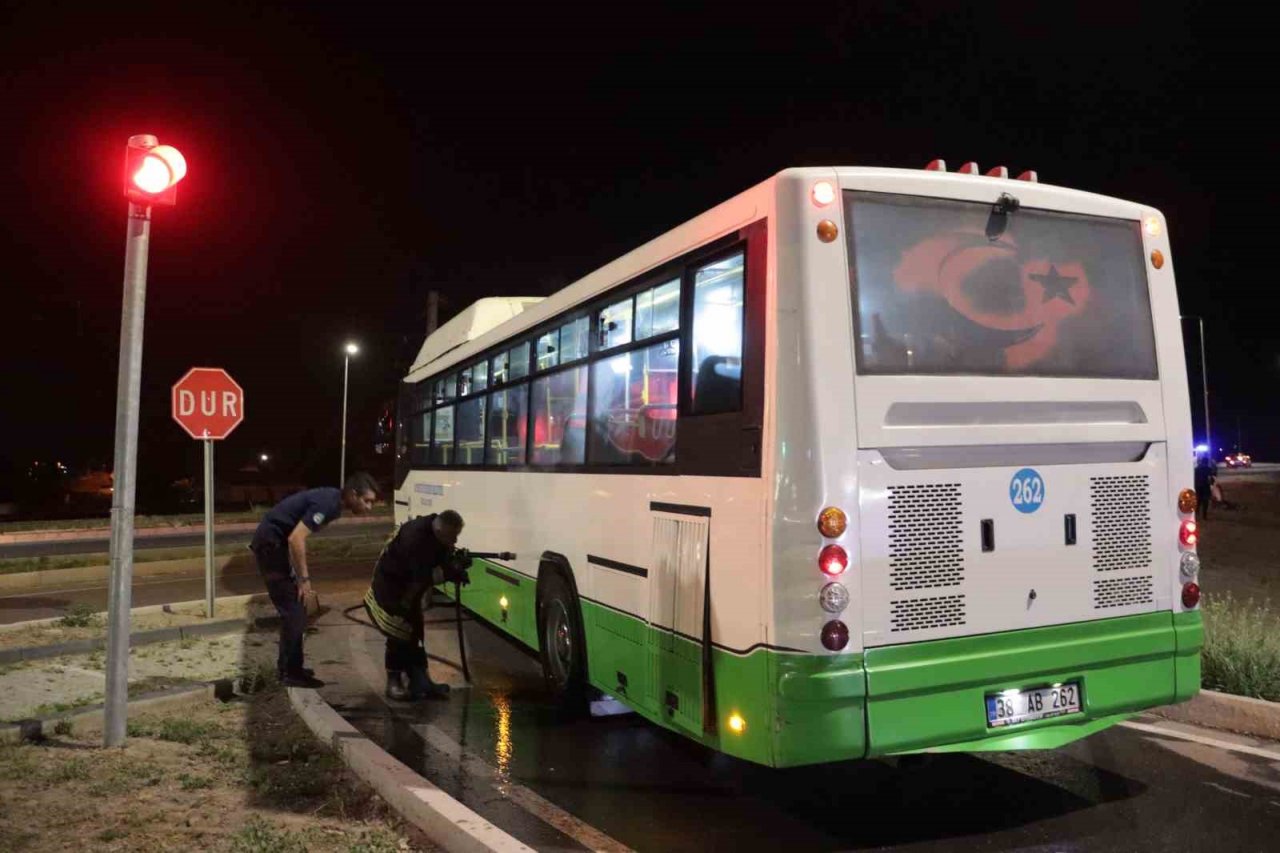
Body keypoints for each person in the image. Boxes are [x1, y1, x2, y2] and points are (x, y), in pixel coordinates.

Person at [250, 472, 379, 687]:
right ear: (353, 494)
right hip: (270, 546)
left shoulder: (333, 501)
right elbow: (296, 538)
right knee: (294, 611)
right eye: (367, 501)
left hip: (274, 545)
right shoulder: (329, 504)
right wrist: (304, 579)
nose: (369, 508)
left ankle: (292, 667)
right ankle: (290, 673)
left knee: (296, 610)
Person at [362, 510, 470, 701]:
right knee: (398, 634)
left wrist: (454, 565)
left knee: (416, 633)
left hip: (409, 591)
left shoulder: (435, 531)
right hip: (392, 589)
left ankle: (420, 680)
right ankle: (393, 682)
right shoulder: (415, 540)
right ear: (440, 530)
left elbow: (439, 559)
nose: (454, 542)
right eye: (452, 537)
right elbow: (422, 579)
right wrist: (451, 571)